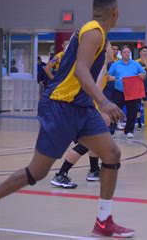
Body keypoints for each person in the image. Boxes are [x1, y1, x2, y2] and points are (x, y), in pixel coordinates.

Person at [0, 0, 135, 237]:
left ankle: (104, 222)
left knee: (112, 152)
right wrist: (104, 102)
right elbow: (82, 72)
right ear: (114, 12)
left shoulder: (96, 33)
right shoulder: (94, 32)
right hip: (60, 107)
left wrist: (96, 103)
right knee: (37, 172)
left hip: (81, 107)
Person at [51, 42, 115, 188]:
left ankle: (93, 170)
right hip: (80, 109)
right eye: (112, 48)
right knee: (85, 144)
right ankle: (60, 174)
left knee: (95, 140)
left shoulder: (100, 67)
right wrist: (101, 112)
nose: (113, 51)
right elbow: (94, 92)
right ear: (104, 50)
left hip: (80, 108)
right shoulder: (100, 68)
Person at [108, 46, 146, 139]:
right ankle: (111, 130)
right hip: (119, 92)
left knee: (132, 112)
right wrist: (111, 78)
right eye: (125, 52)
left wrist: (142, 75)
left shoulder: (136, 64)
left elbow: (144, 74)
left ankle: (129, 130)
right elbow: (108, 75)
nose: (127, 54)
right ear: (121, 53)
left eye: (128, 52)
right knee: (115, 112)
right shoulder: (115, 64)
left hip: (132, 92)